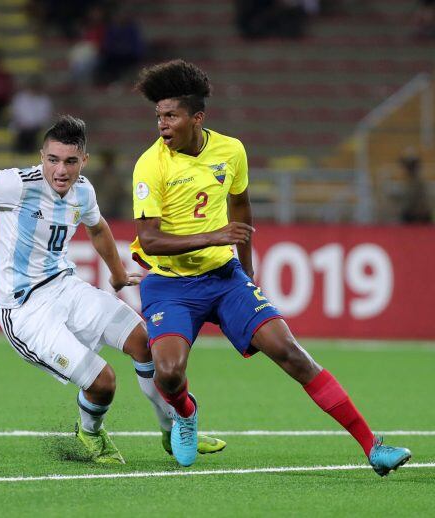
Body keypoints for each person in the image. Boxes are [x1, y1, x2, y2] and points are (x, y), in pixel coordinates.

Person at [0, 115, 225, 463]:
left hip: (64, 287)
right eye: (53, 160)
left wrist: (117, 275)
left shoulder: (83, 190)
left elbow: (98, 228)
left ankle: (171, 428)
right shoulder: (17, 185)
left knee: (144, 342)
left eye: (71, 161)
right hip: (25, 311)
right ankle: (90, 432)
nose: (61, 170)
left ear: (83, 161)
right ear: (41, 157)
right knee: (103, 382)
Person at [129, 59, 411, 475]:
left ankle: (373, 446)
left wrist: (247, 271)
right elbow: (150, 239)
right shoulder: (150, 164)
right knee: (168, 374)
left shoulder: (231, 150)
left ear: (197, 117)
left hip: (225, 279)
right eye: (158, 116)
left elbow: (241, 208)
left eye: (171, 115)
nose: (162, 124)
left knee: (292, 354)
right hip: (171, 285)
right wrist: (213, 236)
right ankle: (185, 414)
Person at [9, 76, 53, 154]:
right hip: (21, 126)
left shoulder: (44, 100)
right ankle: (20, 152)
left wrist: (33, 124)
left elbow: (45, 117)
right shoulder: (20, 98)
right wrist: (23, 123)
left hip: (37, 126)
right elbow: (16, 113)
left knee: (31, 133)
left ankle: (28, 152)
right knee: (21, 132)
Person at [399, 150, 433, 224]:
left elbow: (420, 202)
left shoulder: (417, 182)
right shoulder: (411, 181)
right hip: (414, 213)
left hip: (419, 216)